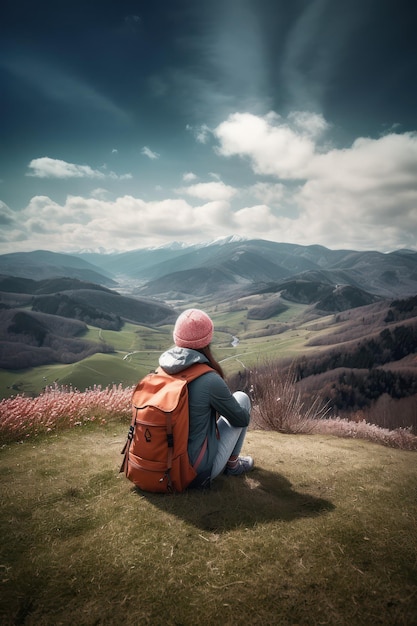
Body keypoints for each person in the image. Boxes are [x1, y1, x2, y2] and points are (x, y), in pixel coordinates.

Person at [158, 308, 254, 487]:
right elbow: (241, 419)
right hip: (194, 473)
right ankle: (232, 465)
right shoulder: (209, 380)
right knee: (242, 398)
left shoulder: (159, 372)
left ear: (176, 337)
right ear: (207, 339)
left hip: (158, 467)